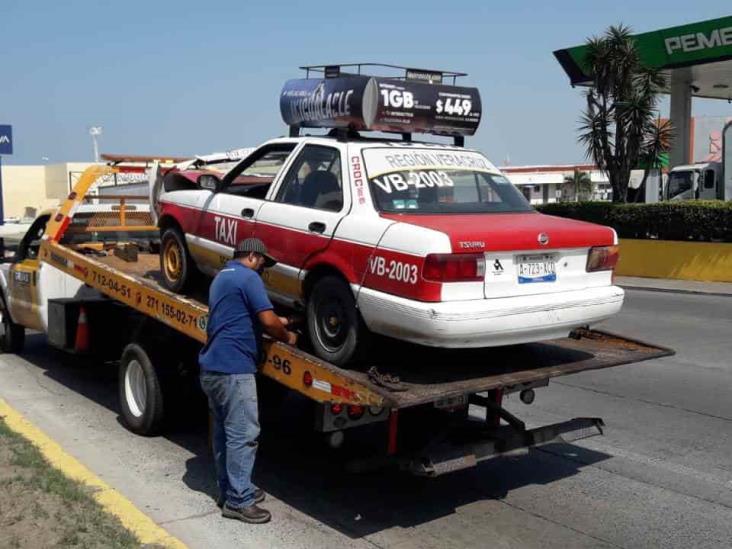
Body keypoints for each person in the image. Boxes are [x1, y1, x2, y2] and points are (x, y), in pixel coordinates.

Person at [199, 237, 296, 524]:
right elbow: (267, 322)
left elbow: (241, 315)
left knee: (223, 434)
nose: (263, 269)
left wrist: (284, 320)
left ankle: (229, 490)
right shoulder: (249, 277)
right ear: (253, 256)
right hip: (234, 369)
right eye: (263, 263)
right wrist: (288, 335)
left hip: (212, 367)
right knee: (243, 434)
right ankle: (239, 502)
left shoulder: (222, 277)